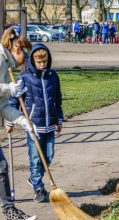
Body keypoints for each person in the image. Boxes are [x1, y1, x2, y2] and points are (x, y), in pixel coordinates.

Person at [5, 43, 63, 203]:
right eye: (39, 63)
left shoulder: (53, 76)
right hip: (33, 126)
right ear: (32, 61)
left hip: (49, 124)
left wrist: (59, 118)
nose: (42, 65)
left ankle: (33, 177)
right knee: (35, 158)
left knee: (49, 155)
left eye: (44, 62)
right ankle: (38, 188)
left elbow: (57, 99)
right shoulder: (24, 78)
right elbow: (14, 101)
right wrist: (9, 121)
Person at [0, 28, 37, 220]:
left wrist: (23, 121)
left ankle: (9, 211)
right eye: (26, 53)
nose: (26, 59)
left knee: (1, 167)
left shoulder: (5, 64)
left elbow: (3, 106)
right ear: (16, 48)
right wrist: (8, 88)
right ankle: (10, 211)